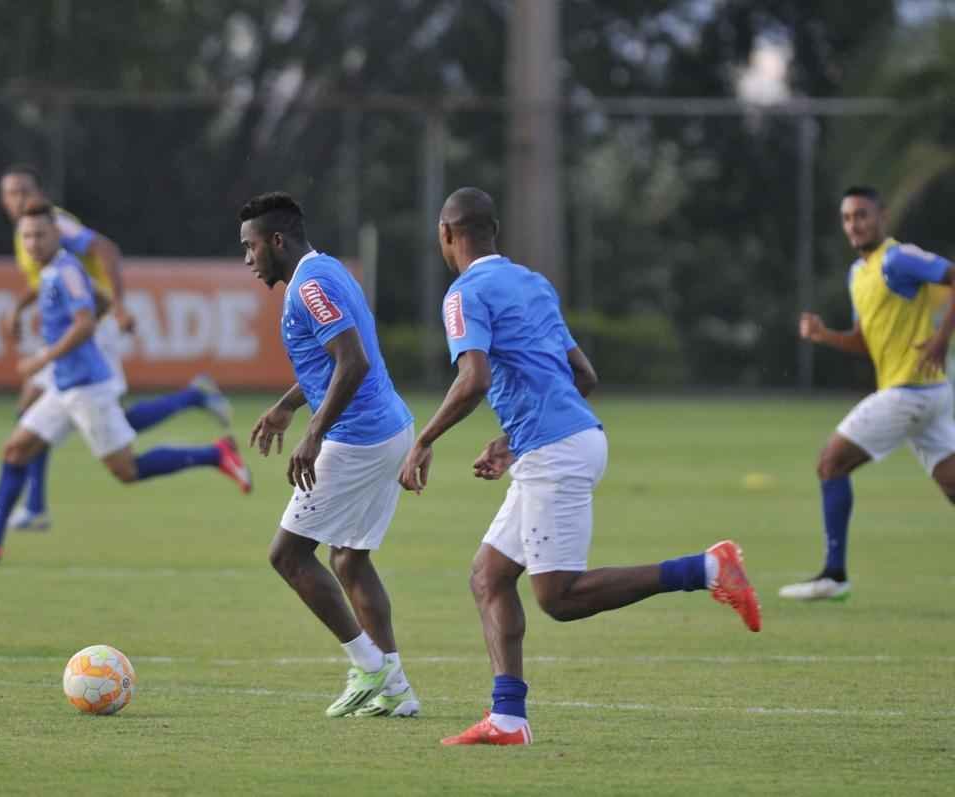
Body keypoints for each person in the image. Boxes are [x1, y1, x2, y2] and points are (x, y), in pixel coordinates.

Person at [398, 187, 761, 747]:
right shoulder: (532, 283)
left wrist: (424, 439)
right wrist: (512, 440)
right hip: (570, 437)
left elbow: (474, 380)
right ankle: (508, 719)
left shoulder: (463, 294)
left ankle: (708, 570)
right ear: (494, 232)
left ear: (446, 235)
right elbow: (583, 376)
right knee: (489, 577)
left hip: (556, 450)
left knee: (558, 598)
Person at [0, 201, 251, 565]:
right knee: (15, 450)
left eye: (40, 234)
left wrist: (42, 358)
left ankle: (215, 454)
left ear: (57, 234)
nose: (32, 242)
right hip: (64, 386)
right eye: (26, 235)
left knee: (128, 470)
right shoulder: (52, 271)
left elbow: (84, 322)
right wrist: (112, 311)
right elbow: (97, 300)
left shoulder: (65, 271)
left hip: (87, 388)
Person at [241, 192, 420, 718]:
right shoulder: (325, 271)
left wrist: (315, 431)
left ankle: (369, 665)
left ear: (277, 241)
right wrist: (286, 407)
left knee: (288, 556)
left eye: (251, 247)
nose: (247, 259)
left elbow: (352, 360)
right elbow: (331, 362)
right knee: (349, 557)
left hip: (357, 437)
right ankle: (397, 693)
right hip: (388, 428)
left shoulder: (312, 285)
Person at [0, 164, 232, 531]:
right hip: (77, 326)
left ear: (39, 191)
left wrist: (118, 305)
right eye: (11, 193)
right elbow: (46, 280)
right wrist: (20, 306)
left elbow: (104, 248)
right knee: (77, 416)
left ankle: (35, 506)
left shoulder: (53, 223)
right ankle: (193, 397)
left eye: (25, 191)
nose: (19, 199)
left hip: (89, 324)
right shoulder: (26, 232)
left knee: (40, 409)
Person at [781, 186, 955, 601]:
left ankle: (834, 575)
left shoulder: (899, 258)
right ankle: (834, 576)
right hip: (925, 396)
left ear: (882, 215)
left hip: (911, 392)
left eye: (862, 215)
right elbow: (865, 342)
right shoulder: (859, 274)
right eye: (847, 218)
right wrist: (826, 336)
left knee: (831, 463)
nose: (854, 224)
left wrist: (941, 341)